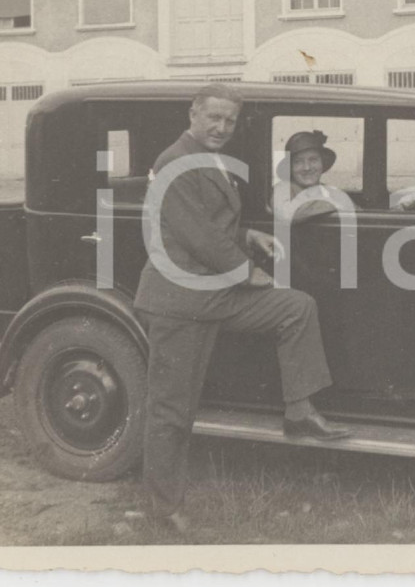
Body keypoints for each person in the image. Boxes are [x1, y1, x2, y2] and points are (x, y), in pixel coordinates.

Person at [133, 84, 348, 531]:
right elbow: (197, 235)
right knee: (172, 409)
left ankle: (299, 412)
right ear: (193, 113)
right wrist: (247, 269)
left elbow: (214, 223)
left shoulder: (210, 160)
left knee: (296, 307)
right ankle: (164, 507)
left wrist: (248, 236)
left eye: (229, 121)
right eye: (213, 117)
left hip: (217, 294)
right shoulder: (176, 160)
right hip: (182, 301)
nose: (221, 127)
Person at [271, 130, 345, 224]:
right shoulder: (282, 189)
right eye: (298, 161)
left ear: (322, 163)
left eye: (313, 160)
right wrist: (331, 204)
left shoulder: (331, 192)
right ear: (290, 167)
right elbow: (286, 214)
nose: (307, 167)